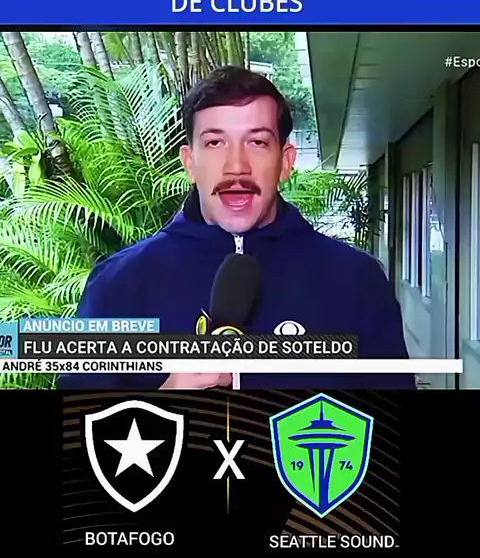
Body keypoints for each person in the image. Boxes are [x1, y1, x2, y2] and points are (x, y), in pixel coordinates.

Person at [58, 65, 416, 391]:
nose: (236, 166)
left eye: (257, 142)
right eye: (215, 143)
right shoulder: (118, 282)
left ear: (286, 162)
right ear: (190, 162)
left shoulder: (356, 280)